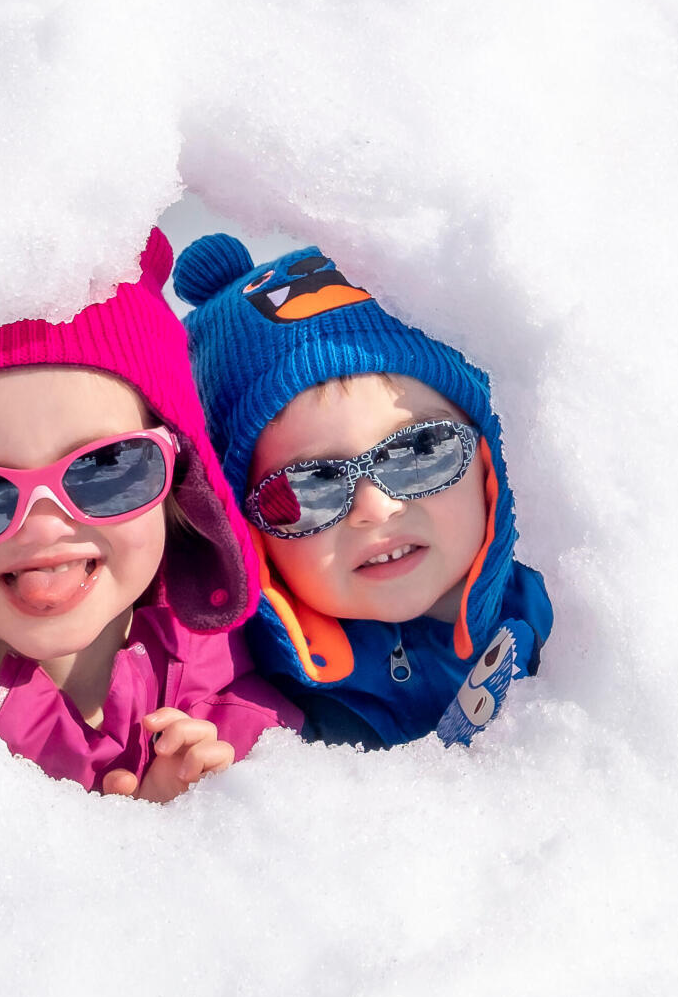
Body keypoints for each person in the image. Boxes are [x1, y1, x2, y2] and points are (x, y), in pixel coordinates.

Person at [0, 229, 300, 799]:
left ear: (181, 479)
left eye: (107, 466)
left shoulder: (226, 704)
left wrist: (192, 829)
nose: (44, 527)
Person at [173, 237, 552, 749]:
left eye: (421, 450)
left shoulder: (570, 602)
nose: (375, 509)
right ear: (246, 536)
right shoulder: (256, 713)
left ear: (489, 455)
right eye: (305, 489)